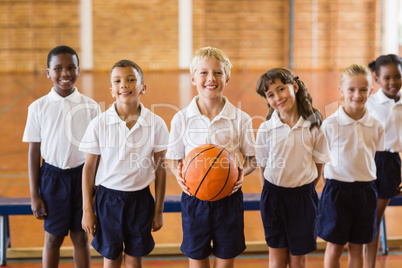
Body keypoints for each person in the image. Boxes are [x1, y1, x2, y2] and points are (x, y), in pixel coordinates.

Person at [166, 46, 257, 268]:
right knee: (197, 262)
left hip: (229, 198)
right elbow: (173, 158)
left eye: (218, 72)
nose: (211, 78)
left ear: (227, 77)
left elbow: (252, 159)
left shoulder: (240, 118)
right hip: (195, 199)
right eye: (204, 73)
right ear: (193, 78)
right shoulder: (182, 118)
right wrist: (178, 175)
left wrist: (240, 173)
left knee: (225, 263)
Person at [80, 59, 169, 268]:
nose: (124, 85)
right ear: (111, 90)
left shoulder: (156, 124)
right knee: (111, 259)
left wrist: (158, 211)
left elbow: (161, 170)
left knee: (134, 260)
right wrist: (87, 210)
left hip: (140, 199)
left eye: (131, 79)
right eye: (118, 81)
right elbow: (89, 169)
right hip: (108, 200)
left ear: (143, 88)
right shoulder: (99, 123)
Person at [22, 45, 100, 268]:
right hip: (52, 178)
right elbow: (34, 151)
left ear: (78, 70)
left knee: (80, 236)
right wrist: (34, 193)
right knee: (53, 238)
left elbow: (98, 153)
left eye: (71, 68)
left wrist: (96, 189)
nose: (65, 73)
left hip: (82, 178)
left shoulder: (91, 107)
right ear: (48, 73)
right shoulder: (38, 107)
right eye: (58, 68)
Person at [255, 67, 329, 268]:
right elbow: (262, 165)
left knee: (299, 260)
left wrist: (304, 188)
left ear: (294, 86)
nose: (277, 97)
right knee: (277, 260)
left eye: (281, 89)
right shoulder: (266, 128)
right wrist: (268, 194)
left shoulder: (314, 126)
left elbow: (318, 164)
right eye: (270, 94)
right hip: (273, 198)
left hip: (303, 198)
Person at [318, 64, 384, 268]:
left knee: (357, 247)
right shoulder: (330, 124)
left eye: (363, 89)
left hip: (365, 191)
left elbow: (372, 156)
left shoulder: (376, 125)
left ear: (371, 91)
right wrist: (331, 186)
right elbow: (321, 161)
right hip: (337, 190)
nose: (358, 94)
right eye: (351, 89)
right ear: (341, 91)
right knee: (335, 247)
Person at [364, 54, 402, 268]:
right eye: (387, 77)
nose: (393, 82)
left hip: (391, 164)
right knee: (370, 219)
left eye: (397, 76)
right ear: (376, 79)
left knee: (373, 218)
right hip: (370, 161)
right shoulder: (370, 104)